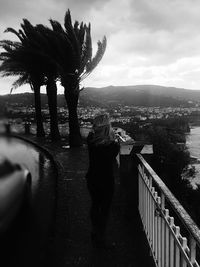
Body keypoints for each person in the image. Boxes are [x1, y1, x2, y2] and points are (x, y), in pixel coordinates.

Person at [86, 113, 120, 249]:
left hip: (92, 178)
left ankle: (95, 230)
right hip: (106, 181)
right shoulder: (113, 146)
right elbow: (112, 153)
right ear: (108, 127)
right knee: (104, 209)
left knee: (95, 204)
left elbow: (95, 138)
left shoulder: (90, 140)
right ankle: (101, 235)